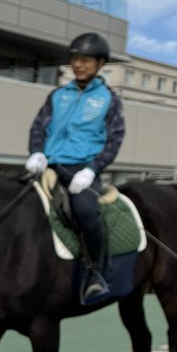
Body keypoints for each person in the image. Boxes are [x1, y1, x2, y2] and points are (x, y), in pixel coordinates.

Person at [24, 32, 125, 304]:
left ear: (100, 63)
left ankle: (95, 273)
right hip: (48, 165)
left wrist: (93, 169)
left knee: (86, 212)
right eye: (75, 59)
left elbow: (115, 138)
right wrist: (36, 152)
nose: (78, 64)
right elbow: (38, 127)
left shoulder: (109, 99)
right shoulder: (57, 95)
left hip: (82, 170)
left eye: (86, 59)